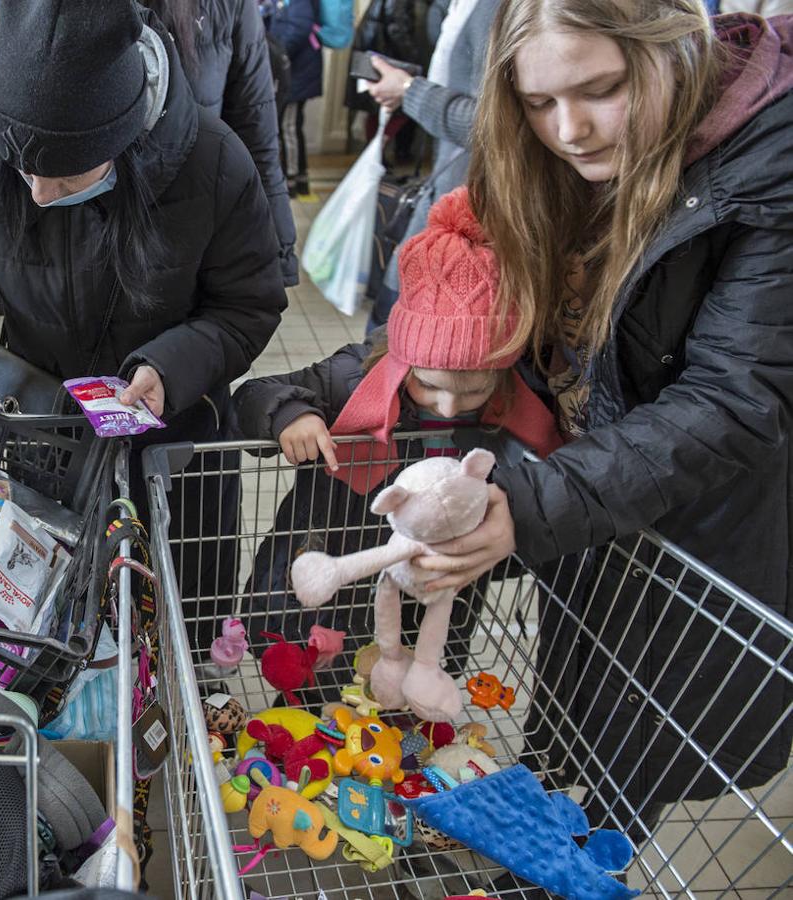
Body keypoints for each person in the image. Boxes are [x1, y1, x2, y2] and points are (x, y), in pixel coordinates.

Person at [417, 0, 792, 829]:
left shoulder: (769, 158)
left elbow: (735, 396)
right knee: (569, 700)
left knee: (636, 750)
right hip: (589, 500)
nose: (571, 130)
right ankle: (533, 828)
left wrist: (534, 503)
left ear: (672, 49)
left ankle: (589, 859)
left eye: (601, 89)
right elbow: (483, 309)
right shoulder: (552, 165)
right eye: (539, 103)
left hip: (693, 518)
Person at [0, 0, 285, 600]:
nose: (41, 195)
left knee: (173, 627)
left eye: (68, 178)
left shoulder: (213, 162)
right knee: (50, 622)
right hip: (40, 441)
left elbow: (246, 306)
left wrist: (172, 365)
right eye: (23, 169)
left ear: (124, 136)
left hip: (175, 456)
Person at [231, 188, 562, 697]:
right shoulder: (351, 379)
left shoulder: (516, 413)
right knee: (319, 688)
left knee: (416, 693)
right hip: (337, 572)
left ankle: (404, 765)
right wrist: (291, 414)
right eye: (429, 386)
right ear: (402, 357)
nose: (448, 407)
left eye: (473, 390)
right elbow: (253, 395)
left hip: (438, 595)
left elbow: (529, 500)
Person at [361, 0, 499, 331]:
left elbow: (493, 125)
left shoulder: (496, 8)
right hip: (448, 193)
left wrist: (410, 91)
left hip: (475, 214)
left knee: (403, 330)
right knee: (391, 323)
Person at [145, 0, 299, 285]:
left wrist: (278, 250)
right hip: (87, 245)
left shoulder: (229, 6)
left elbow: (256, 138)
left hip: (191, 239)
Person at [265, 0, 322, 198]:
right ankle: (298, 177)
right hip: (293, 70)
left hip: (297, 72)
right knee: (291, 125)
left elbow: (300, 26)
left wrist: (274, 53)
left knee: (289, 126)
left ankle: (292, 178)